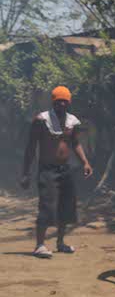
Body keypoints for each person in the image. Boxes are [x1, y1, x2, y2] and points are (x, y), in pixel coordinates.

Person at [21, 86, 93, 258]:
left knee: (66, 206)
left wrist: (85, 162)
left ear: (69, 102)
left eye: (64, 101)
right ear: (53, 102)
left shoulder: (72, 122)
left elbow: (75, 143)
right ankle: (39, 245)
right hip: (47, 170)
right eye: (58, 101)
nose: (61, 104)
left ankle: (60, 242)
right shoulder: (41, 120)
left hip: (66, 168)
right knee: (47, 206)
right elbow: (31, 147)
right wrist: (26, 173)